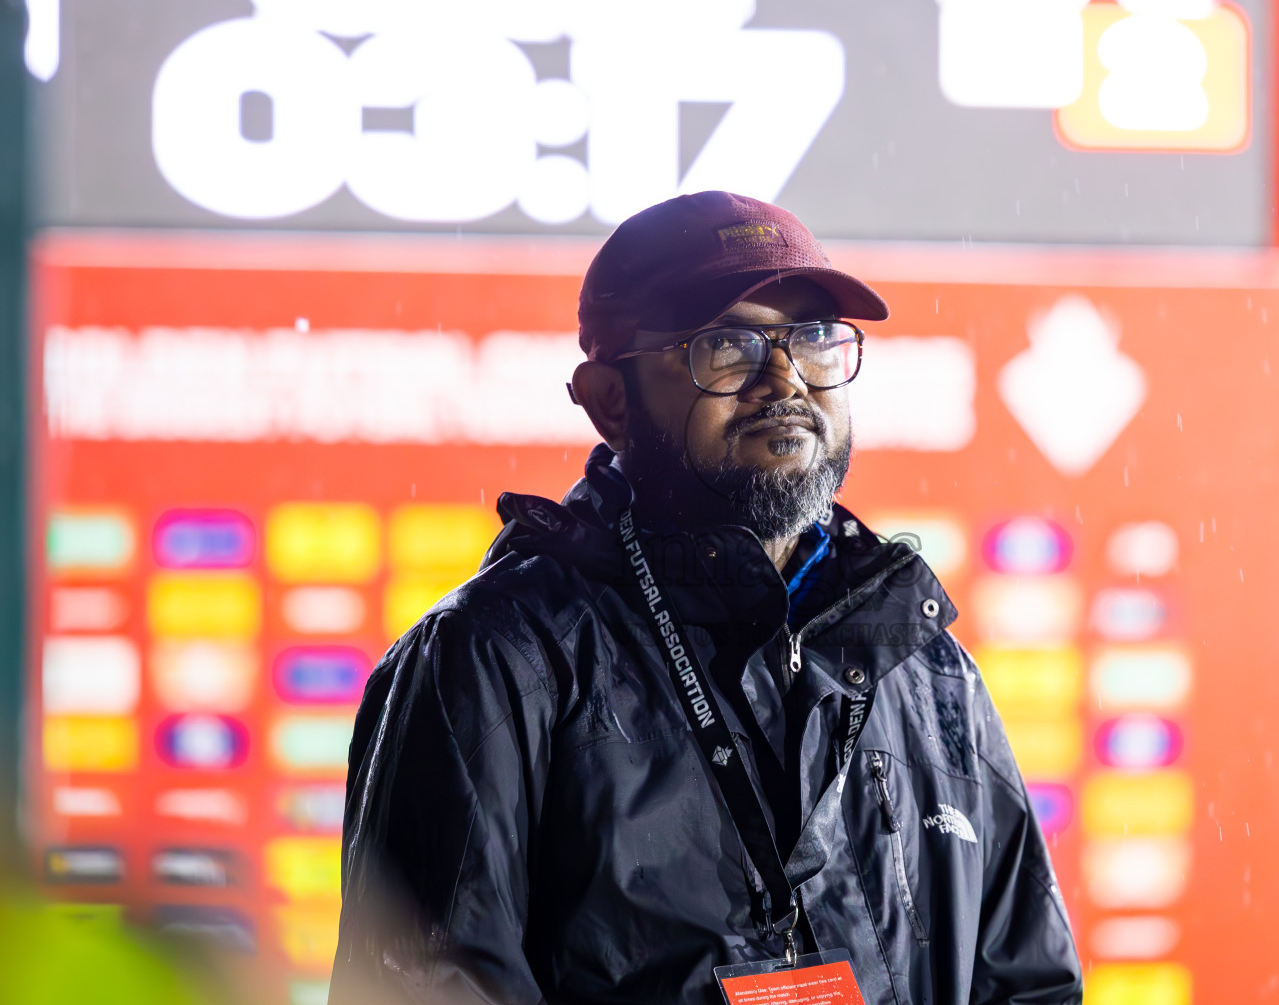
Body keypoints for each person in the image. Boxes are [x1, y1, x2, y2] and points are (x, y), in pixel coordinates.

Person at [330, 191, 1082, 1005]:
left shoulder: (925, 665)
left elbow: (1030, 988)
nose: (785, 380)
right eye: (728, 345)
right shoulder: (495, 658)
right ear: (611, 400)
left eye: (813, 337)